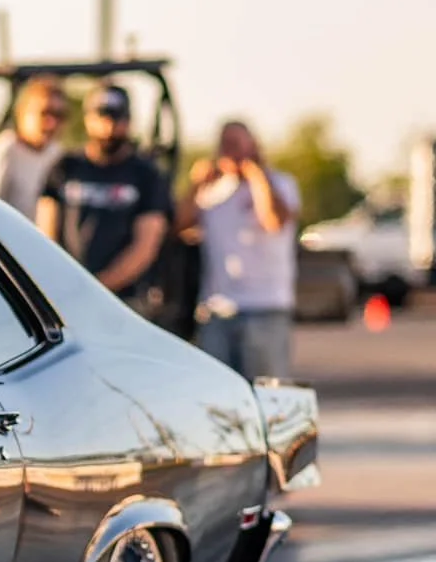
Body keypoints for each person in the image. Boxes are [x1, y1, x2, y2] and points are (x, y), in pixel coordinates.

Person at [176, 120, 301, 378]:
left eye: (235, 144)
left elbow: (274, 220)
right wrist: (196, 185)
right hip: (217, 309)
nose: (229, 151)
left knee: (265, 387)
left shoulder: (280, 183)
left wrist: (255, 173)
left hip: (265, 307)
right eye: (224, 144)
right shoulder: (213, 191)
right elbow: (179, 225)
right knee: (217, 391)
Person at [37, 86, 170, 307]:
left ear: (128, 121)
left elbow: (146, 246)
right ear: (88, 119)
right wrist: (65, 281)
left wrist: (98, 287)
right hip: (67, 294)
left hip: (125, 302)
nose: (108, 128)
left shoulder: (146, 174)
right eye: (102, 117)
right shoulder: (65, 167)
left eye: (116, 119)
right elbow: (46, 230)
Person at [0, 75, 66, 220]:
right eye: (45, 113)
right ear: (22, 112)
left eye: (59, 115)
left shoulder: (58, 154)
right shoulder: (4, 150)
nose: (52, 123)